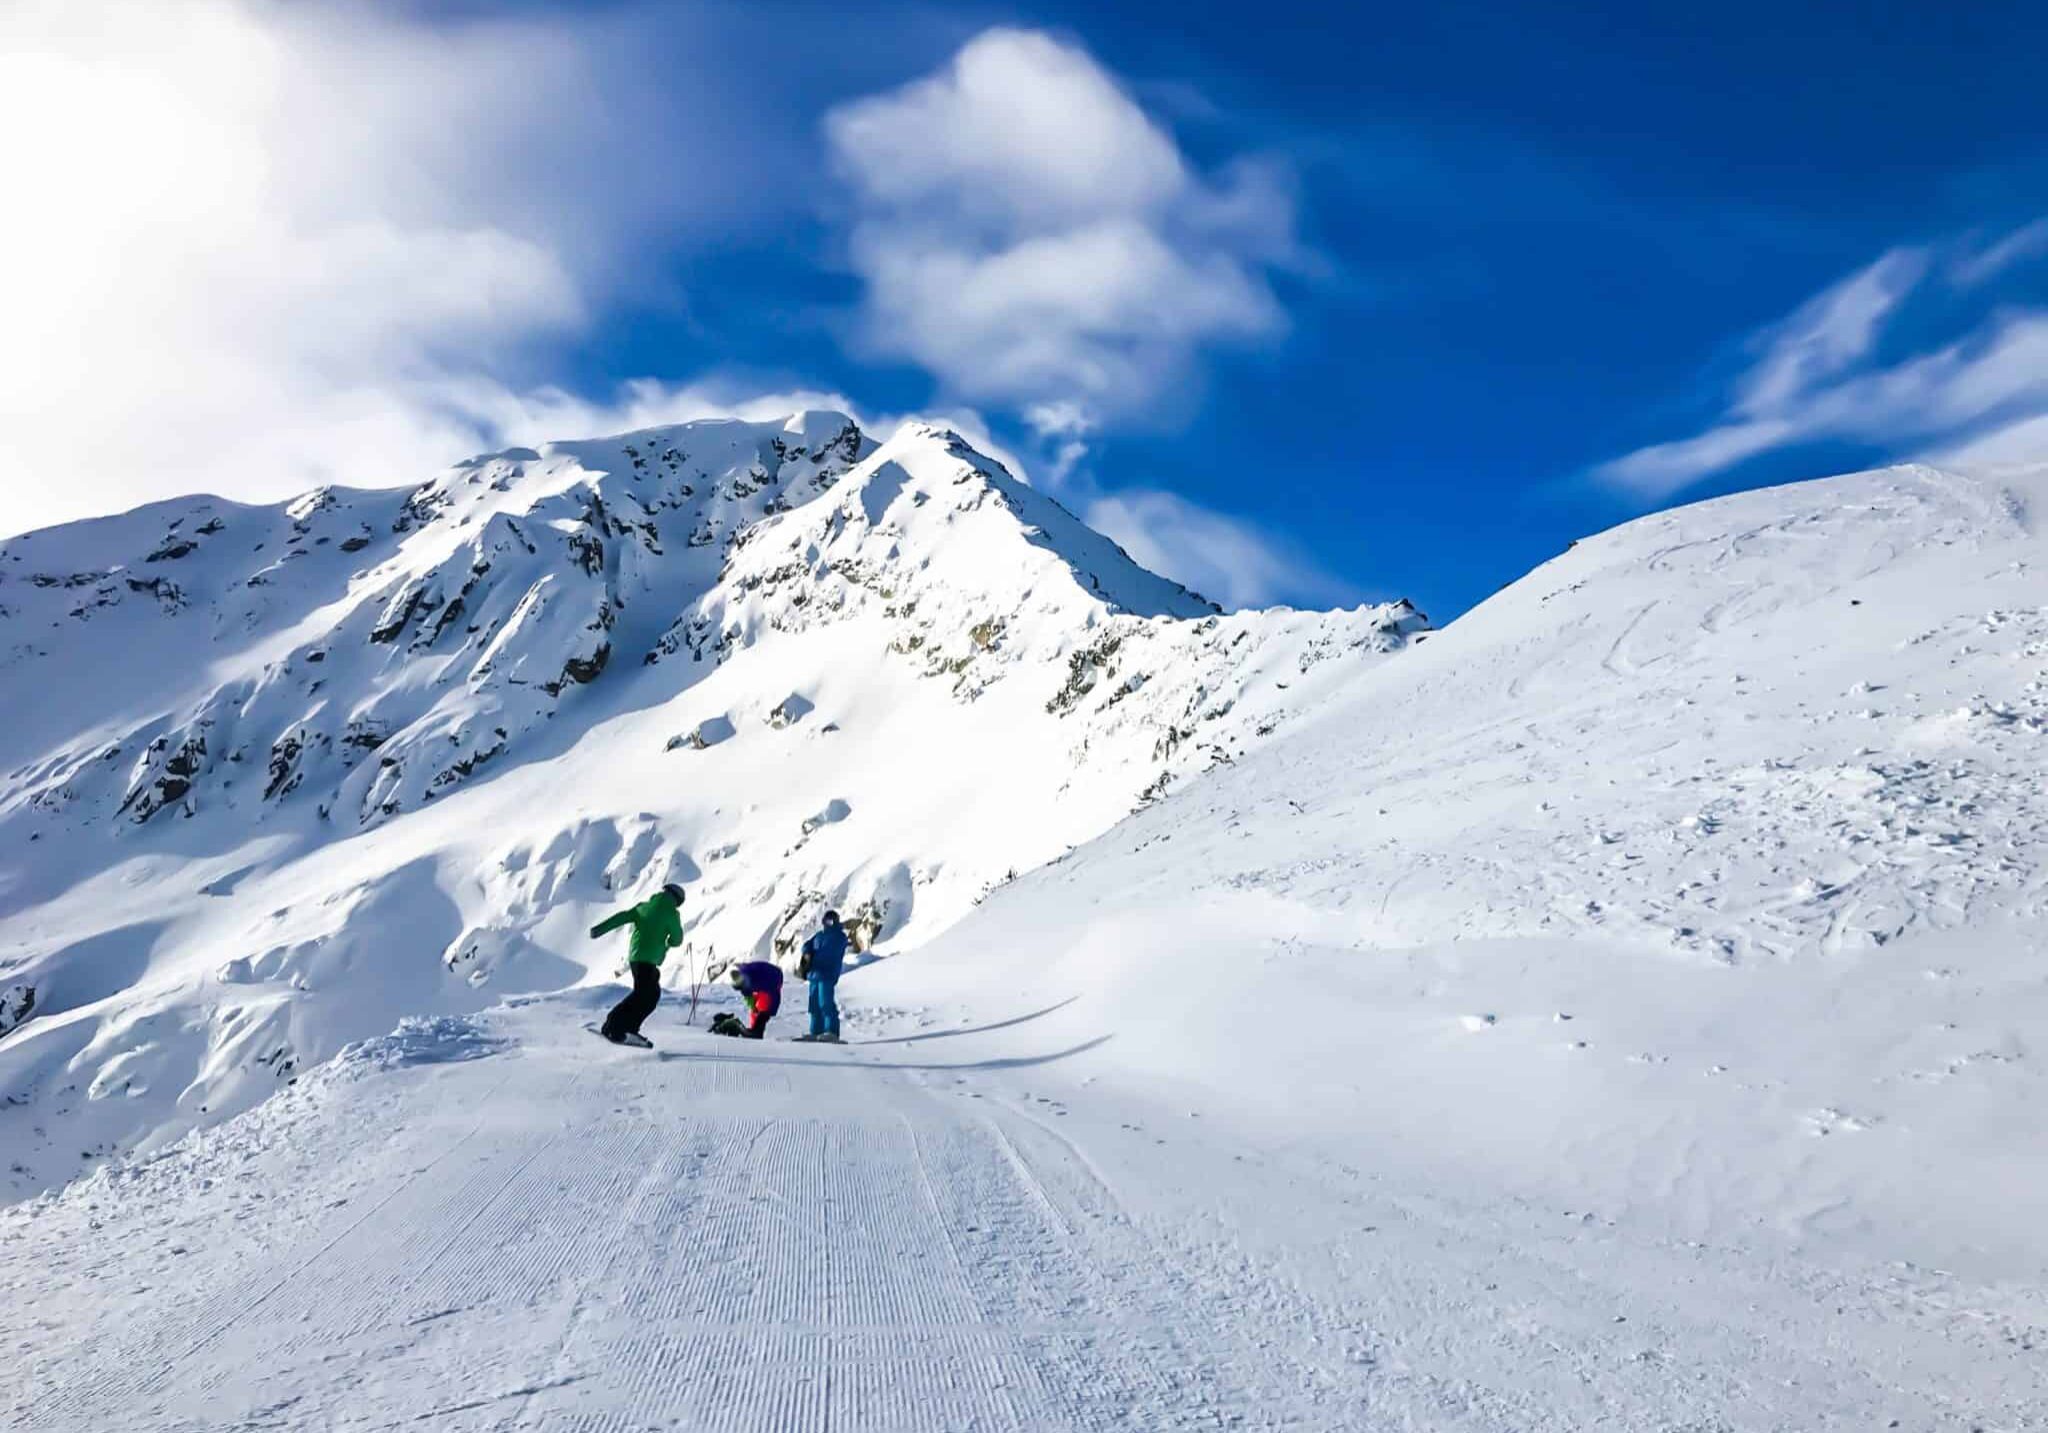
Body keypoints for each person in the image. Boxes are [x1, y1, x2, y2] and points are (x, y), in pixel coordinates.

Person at [589, 883, 685, 1046]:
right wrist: (667, 942)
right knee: (646, 996)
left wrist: (599, 929)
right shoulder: (672, 914)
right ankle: (616, 1025)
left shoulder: (643, 907)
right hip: (648, 960)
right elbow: (677, 940)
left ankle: (621, 1026)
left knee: (647, 994)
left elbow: (621, 917)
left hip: (635, 958)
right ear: (677, 900)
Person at [794, 910, 849, 1043]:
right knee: (814, 1005)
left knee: (825, 1002)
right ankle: (816, 1032)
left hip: (827, 974)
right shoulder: (819, 935)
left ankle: (832, 1031)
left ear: (836, 921)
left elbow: (829, 954)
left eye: (830, 920)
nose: (828, 923)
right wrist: (807, 954)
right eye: (826, 921)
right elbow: (807, 945)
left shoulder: (839, 937)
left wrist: (814, 959)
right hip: (814, 974)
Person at [709, 960, 783, 1039]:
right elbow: (750, 1000)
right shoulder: (744, 981)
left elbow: (772, 1000)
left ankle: (755, 1030)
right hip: (763, 982)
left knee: (765, 1010)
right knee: (760, 1011)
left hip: (774, 977)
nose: (742, 989)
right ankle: (753, 1029)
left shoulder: (767, 982)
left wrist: (766, 1013)